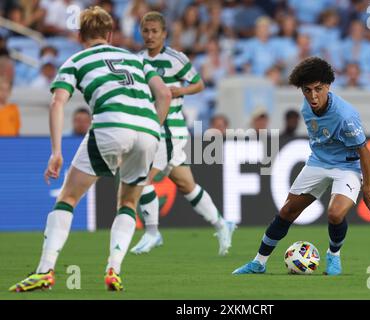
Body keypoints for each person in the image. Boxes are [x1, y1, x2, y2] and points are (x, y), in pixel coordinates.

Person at [9, 6, 171, 292]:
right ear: (109, 34)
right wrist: (153, 129)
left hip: (110, 124)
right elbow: (165, 94)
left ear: (80, 35)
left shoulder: (75, 60)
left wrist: (56, 151)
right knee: (128, 203)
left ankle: (45, 271)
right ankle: (114, 270)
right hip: (147, 130)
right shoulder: (136, 60)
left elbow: (58, 102)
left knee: (68, 197)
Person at [232, 57, 370, 276]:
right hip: (318, 162)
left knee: (334, 214)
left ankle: (333, 256)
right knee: (287, 211)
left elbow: (364, 151)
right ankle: (259, 263)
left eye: (318, 89)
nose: (313, 96)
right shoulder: (306, 108)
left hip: (346, 167)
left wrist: (368, 188)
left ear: (328, 86)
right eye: (307, 90)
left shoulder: (345, 116)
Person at [130, 12, 236, 256]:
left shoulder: (176, 58)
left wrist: (180, 91)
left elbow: (199, 84)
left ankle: (152, 232)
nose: (150, 35)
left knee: (142, 177)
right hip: (152, 129)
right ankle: (222, 223)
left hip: (170, 130)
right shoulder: (136, 60)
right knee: (187, 184)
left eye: (154, 31)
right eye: (145, 31)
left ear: (164, 33)